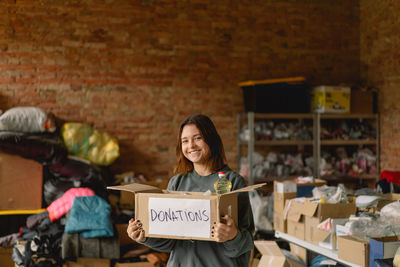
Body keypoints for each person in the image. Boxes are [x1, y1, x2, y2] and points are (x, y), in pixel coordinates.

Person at [127, 114, 254, 267]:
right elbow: (170, 242)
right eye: (185, 141)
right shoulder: (177, 182)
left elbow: (246, 243)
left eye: (197, 138)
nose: (191, 145)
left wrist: (233, 236)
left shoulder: (233, 182)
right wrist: (143, 237)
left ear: (211, 139)